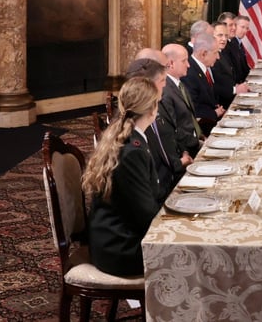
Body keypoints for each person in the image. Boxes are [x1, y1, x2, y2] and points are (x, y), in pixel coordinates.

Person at [84, 76, 167, 277]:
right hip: (121, 248)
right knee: (193, 258)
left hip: (117, 237)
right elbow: (145, 215)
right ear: (152, 109)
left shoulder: (127, 136)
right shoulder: (133, 151)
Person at [126, 56, 191, 191]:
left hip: (168, 178)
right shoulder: (138, 123)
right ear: (148, 84)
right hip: (160, 190)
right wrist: (179, 164)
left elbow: (171, 137)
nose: (165, 84)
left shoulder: (156, 108)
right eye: (162, 80)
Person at [161, 43, 203, 150]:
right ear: (171, 63)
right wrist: (197, 144)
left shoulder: (179, 83)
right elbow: (173, 130)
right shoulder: (165, 90)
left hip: (196, 139)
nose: (188, 65)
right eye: (184, 61)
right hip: (186, 149)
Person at [182, 32, 225, 128]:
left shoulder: (202, 68)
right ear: (203, 53)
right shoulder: (189, 73)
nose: (218, 57)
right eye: (215, 53)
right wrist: (214, 113)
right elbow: (192, 107)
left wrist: (215, 106)